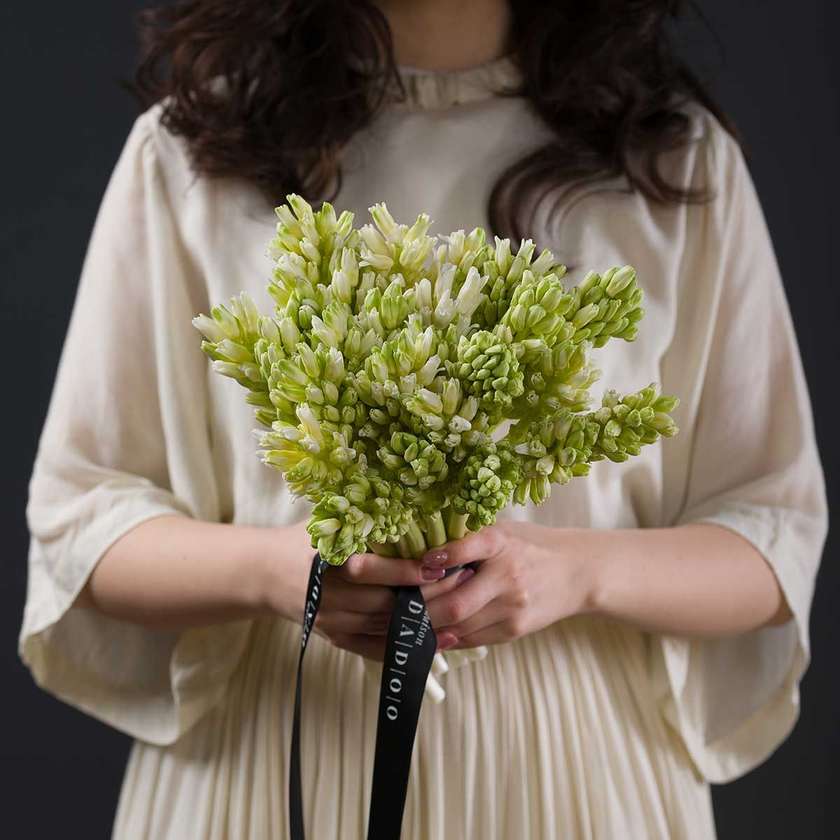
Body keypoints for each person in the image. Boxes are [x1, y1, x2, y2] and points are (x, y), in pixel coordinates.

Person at [19, 1, 828, 837]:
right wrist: (280, 573)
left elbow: (772, 535)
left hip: (570, 776)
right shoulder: (194, 149)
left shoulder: (673, 158)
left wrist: (574, 571)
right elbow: (80, 518)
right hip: (275, 758)